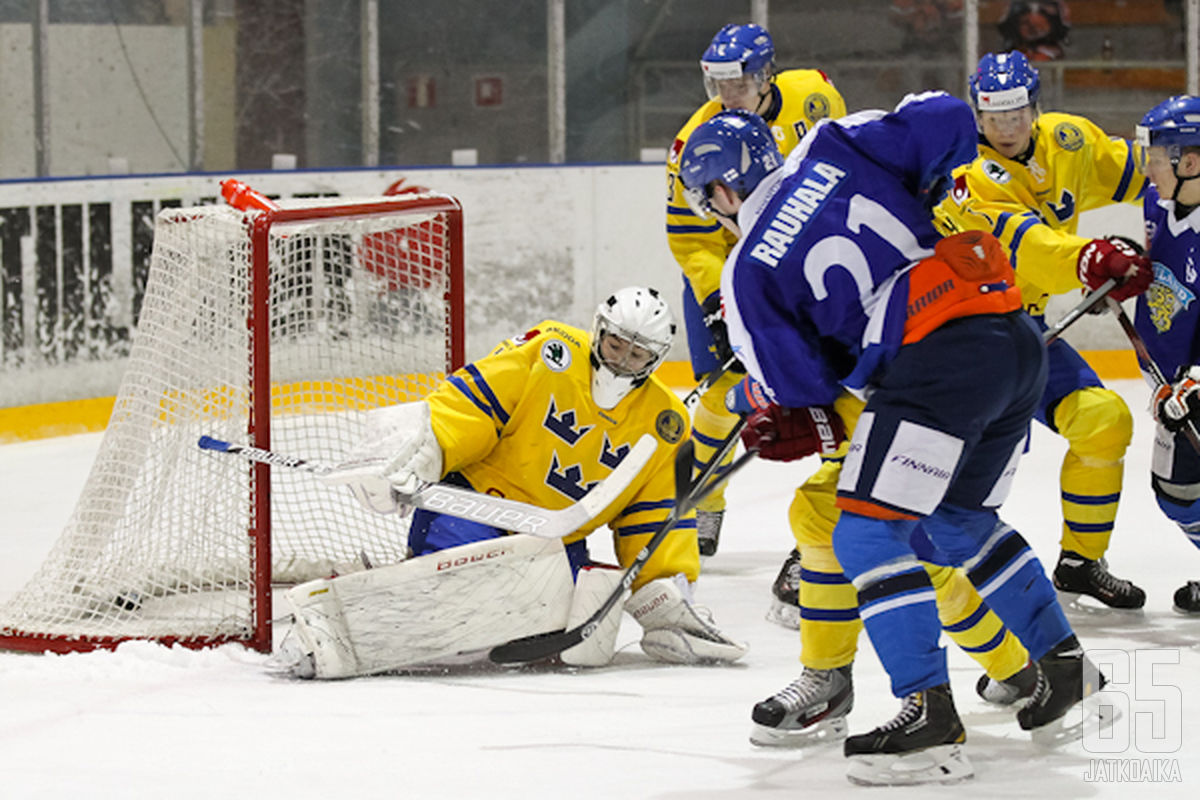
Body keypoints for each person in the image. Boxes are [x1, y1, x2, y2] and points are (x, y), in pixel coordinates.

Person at [679, 98, 1101, 785]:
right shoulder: (830, 144)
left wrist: (767, 409)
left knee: (867, 537)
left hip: (934, 369)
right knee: (958, 520)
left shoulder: (747, 273)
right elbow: (947, 120)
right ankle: (1065, 667)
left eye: (708, 199)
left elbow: (801, 391)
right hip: (1014, 336)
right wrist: (922, 191)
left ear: (723, 191)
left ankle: (929, 715)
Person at [296, 286, 747, 677]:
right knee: (463, 597)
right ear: (599, 331)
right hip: (471, 506)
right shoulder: (550, 351)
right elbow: (473, 403)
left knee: (550, 626)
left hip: (550, 541)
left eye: (637, 355)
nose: (622, 362)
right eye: (614, 346)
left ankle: (389, 602)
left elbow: (654, 514)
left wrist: (664, 592)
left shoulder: (664, 422)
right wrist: (427, 453)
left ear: (656, 359)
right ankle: (356, 610)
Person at [935, 51, 1154, 618]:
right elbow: (1028, 247)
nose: (1005, 129)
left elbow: (1145, 172)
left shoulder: (1069, 142)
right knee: (935, 469)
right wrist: (1092, 259)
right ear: (975, 115)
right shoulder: (968, 173)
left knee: (1104, 421)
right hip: (958, 340)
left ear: (1035, 107)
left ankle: (1081, 563)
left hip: (1027, 332)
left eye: (1016, 115)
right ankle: (845, 559)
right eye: (992, 117)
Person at [664, 22, 846, 560]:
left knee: (834, 391)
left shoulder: (815, 96)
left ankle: (841, 506)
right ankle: (707, 498)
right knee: (721, 396)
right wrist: (722, 300)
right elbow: (690, 239)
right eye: (716, 83)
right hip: (734, 275)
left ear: (766, 75)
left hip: (806, 266)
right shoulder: (693, 141)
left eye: (737, 82)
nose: (726, 94)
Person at [1132, 95, 1200, 615]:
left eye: (1155, 155)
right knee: (1175, 491)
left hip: (1194, 381)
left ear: (1190, 162)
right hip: (1171, 379)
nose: (1147, 165)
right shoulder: (1157, 202)